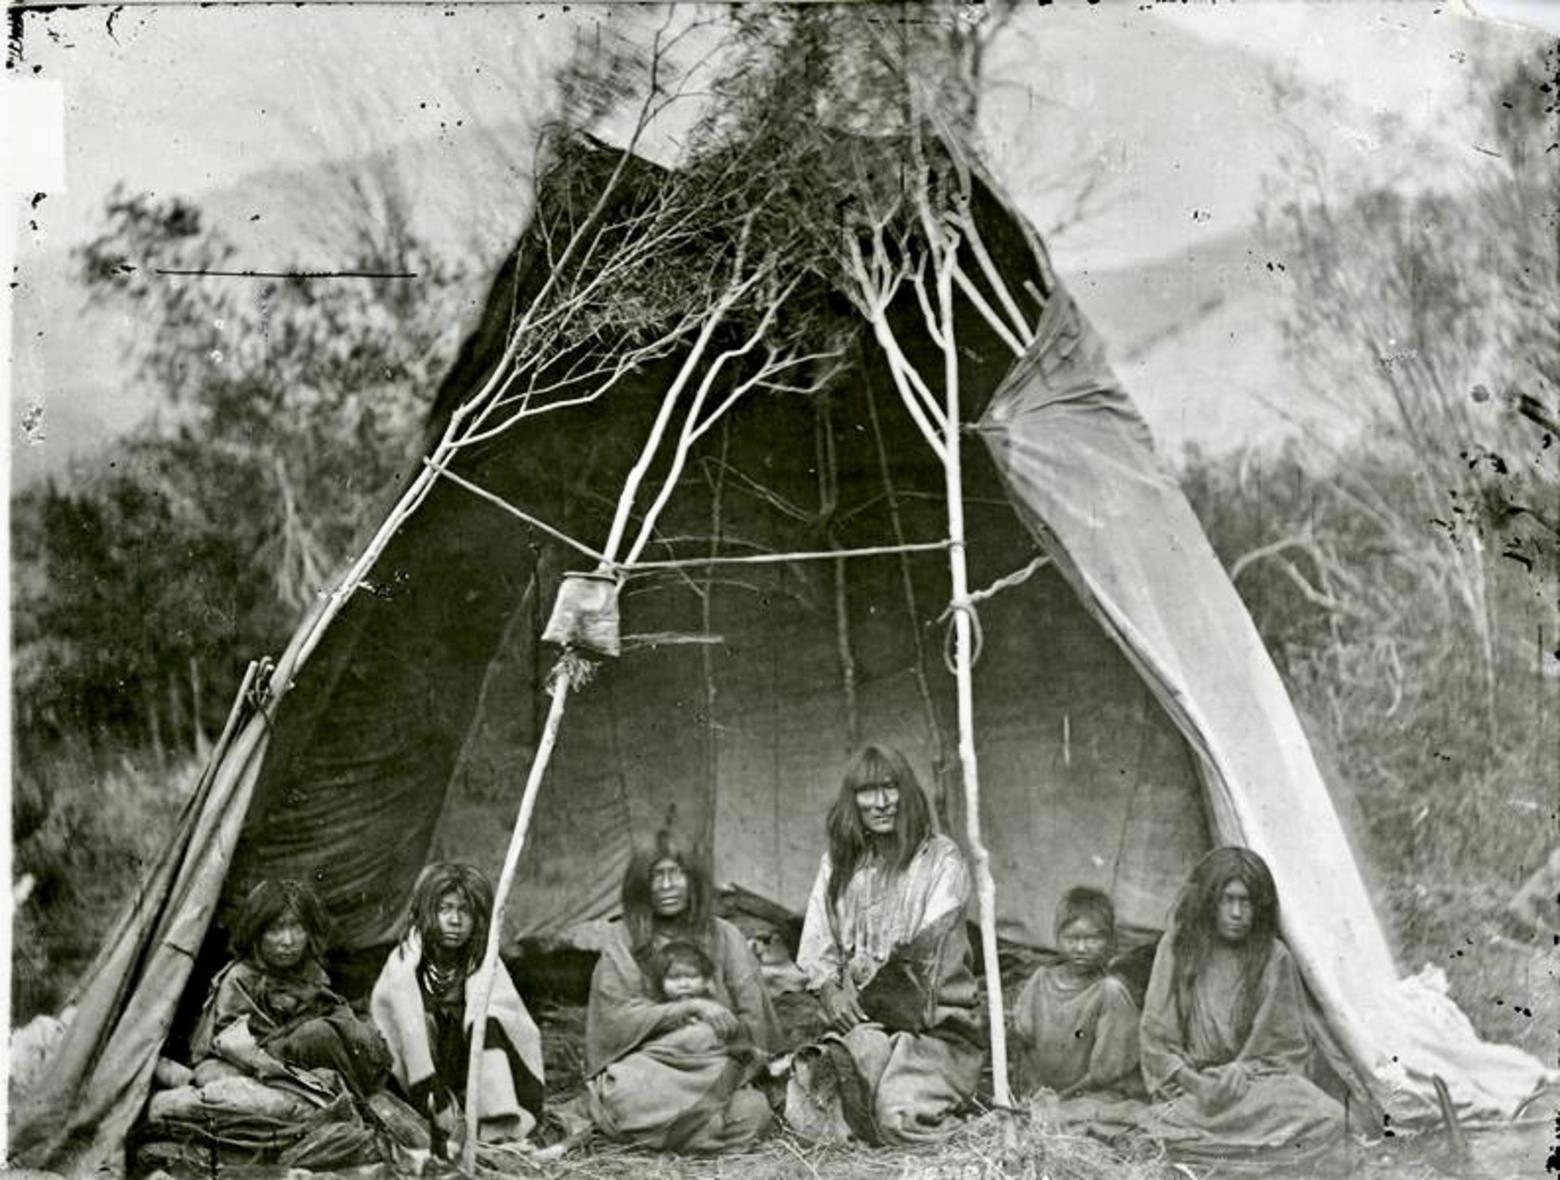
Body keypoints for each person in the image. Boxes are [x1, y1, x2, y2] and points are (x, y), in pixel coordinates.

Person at [788, 745, 983, 1146]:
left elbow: (924, 961)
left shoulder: (941, 861)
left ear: (907, 792)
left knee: (897, 1120)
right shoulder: (840, 864)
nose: (880, 803)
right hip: (863, 1026)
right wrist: (830, 992)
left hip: (933, 1033)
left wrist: (861, 1000)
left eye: (890, 787)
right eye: (867, 790)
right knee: (813, 1116)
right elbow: (817, 944)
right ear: (852, 799)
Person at [1138, 846, 1345, 1169]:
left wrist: (1242, 1071)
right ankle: (1254, 1162)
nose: (1236, 913)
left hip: (1251, 1093)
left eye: (1245, 901)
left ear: (1258, 905)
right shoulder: (1178, 947)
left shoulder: (1274, 957)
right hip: (1191, 1092)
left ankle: (1213, 1160)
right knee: (1154, 1123)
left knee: (1330, 1117)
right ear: (1210, 901)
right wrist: (1198, 1084)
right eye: (1227, 899)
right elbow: (1155, 1042)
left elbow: (1285, 1051)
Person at [585, 830, 779, 1153]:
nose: (666, 886)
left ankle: (662, 1135)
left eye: (676, 874)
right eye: (656, 875)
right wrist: (691, 1010)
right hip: (652, 1073)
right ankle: (692, 1132)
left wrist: (720, 1040)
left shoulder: (725, 936)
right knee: (623, 1093)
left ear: (694, 880)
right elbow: (614, 1019)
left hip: (717, 1067)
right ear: (641, 885)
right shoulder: (622, 939)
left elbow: (753, 1018)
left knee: (752, 1113)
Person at [370, 862, 545, 1151]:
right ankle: (434, 1119)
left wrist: (480, 1023)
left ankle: (494, 1123)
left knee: (488, 1019)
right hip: (416, 1083)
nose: (455, 920)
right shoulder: (404, 966)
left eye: (465, 911)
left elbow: (513, 1023)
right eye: (445, 909)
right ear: (428, 913)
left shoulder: (485, 964)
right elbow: (392, 1030)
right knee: (421, 1022)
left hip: (471, 1079)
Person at [192, 879, 390, 1099]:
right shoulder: (240, 979)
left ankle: (355, 1096)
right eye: (275, 930)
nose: (288, 941)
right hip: (257, 1066)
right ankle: (353, 1099)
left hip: (306, 1067)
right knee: (316, 1035)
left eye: (297, 928)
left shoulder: (311, 973)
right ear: (256, 933)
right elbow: (233, 1045)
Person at [1013, 886, 1141, 1101]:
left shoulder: (1109, 993)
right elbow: (1023, 1042)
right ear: (1057, 938)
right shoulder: (1041, 980)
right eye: (1072, 939)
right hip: (1040, 1094)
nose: (1081, 948)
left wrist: (1062, 1099)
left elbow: (1106, 1072)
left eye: (1092, 939)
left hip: (1088, 1095)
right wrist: (1034, 1091)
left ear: (1109, 941)